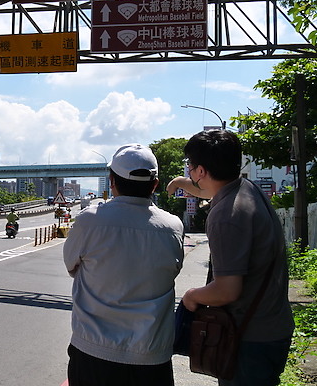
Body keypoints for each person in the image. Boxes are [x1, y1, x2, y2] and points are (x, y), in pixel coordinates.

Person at [167, 129, 293, 386]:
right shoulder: (247, 189)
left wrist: (191, 296)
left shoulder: (226, 215)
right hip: (270, 327)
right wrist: (182, 182)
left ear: (201, 171)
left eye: (190, 167)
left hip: (250, 339)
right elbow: (208, 189)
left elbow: (227, 290)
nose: (190, 171)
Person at [63, 144, 184, 386]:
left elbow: (71, 265)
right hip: (152, 356)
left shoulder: (90, 221)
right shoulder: (173, 226)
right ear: (155, 184)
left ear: (111, 181)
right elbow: (174, 270)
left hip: (94, 351)